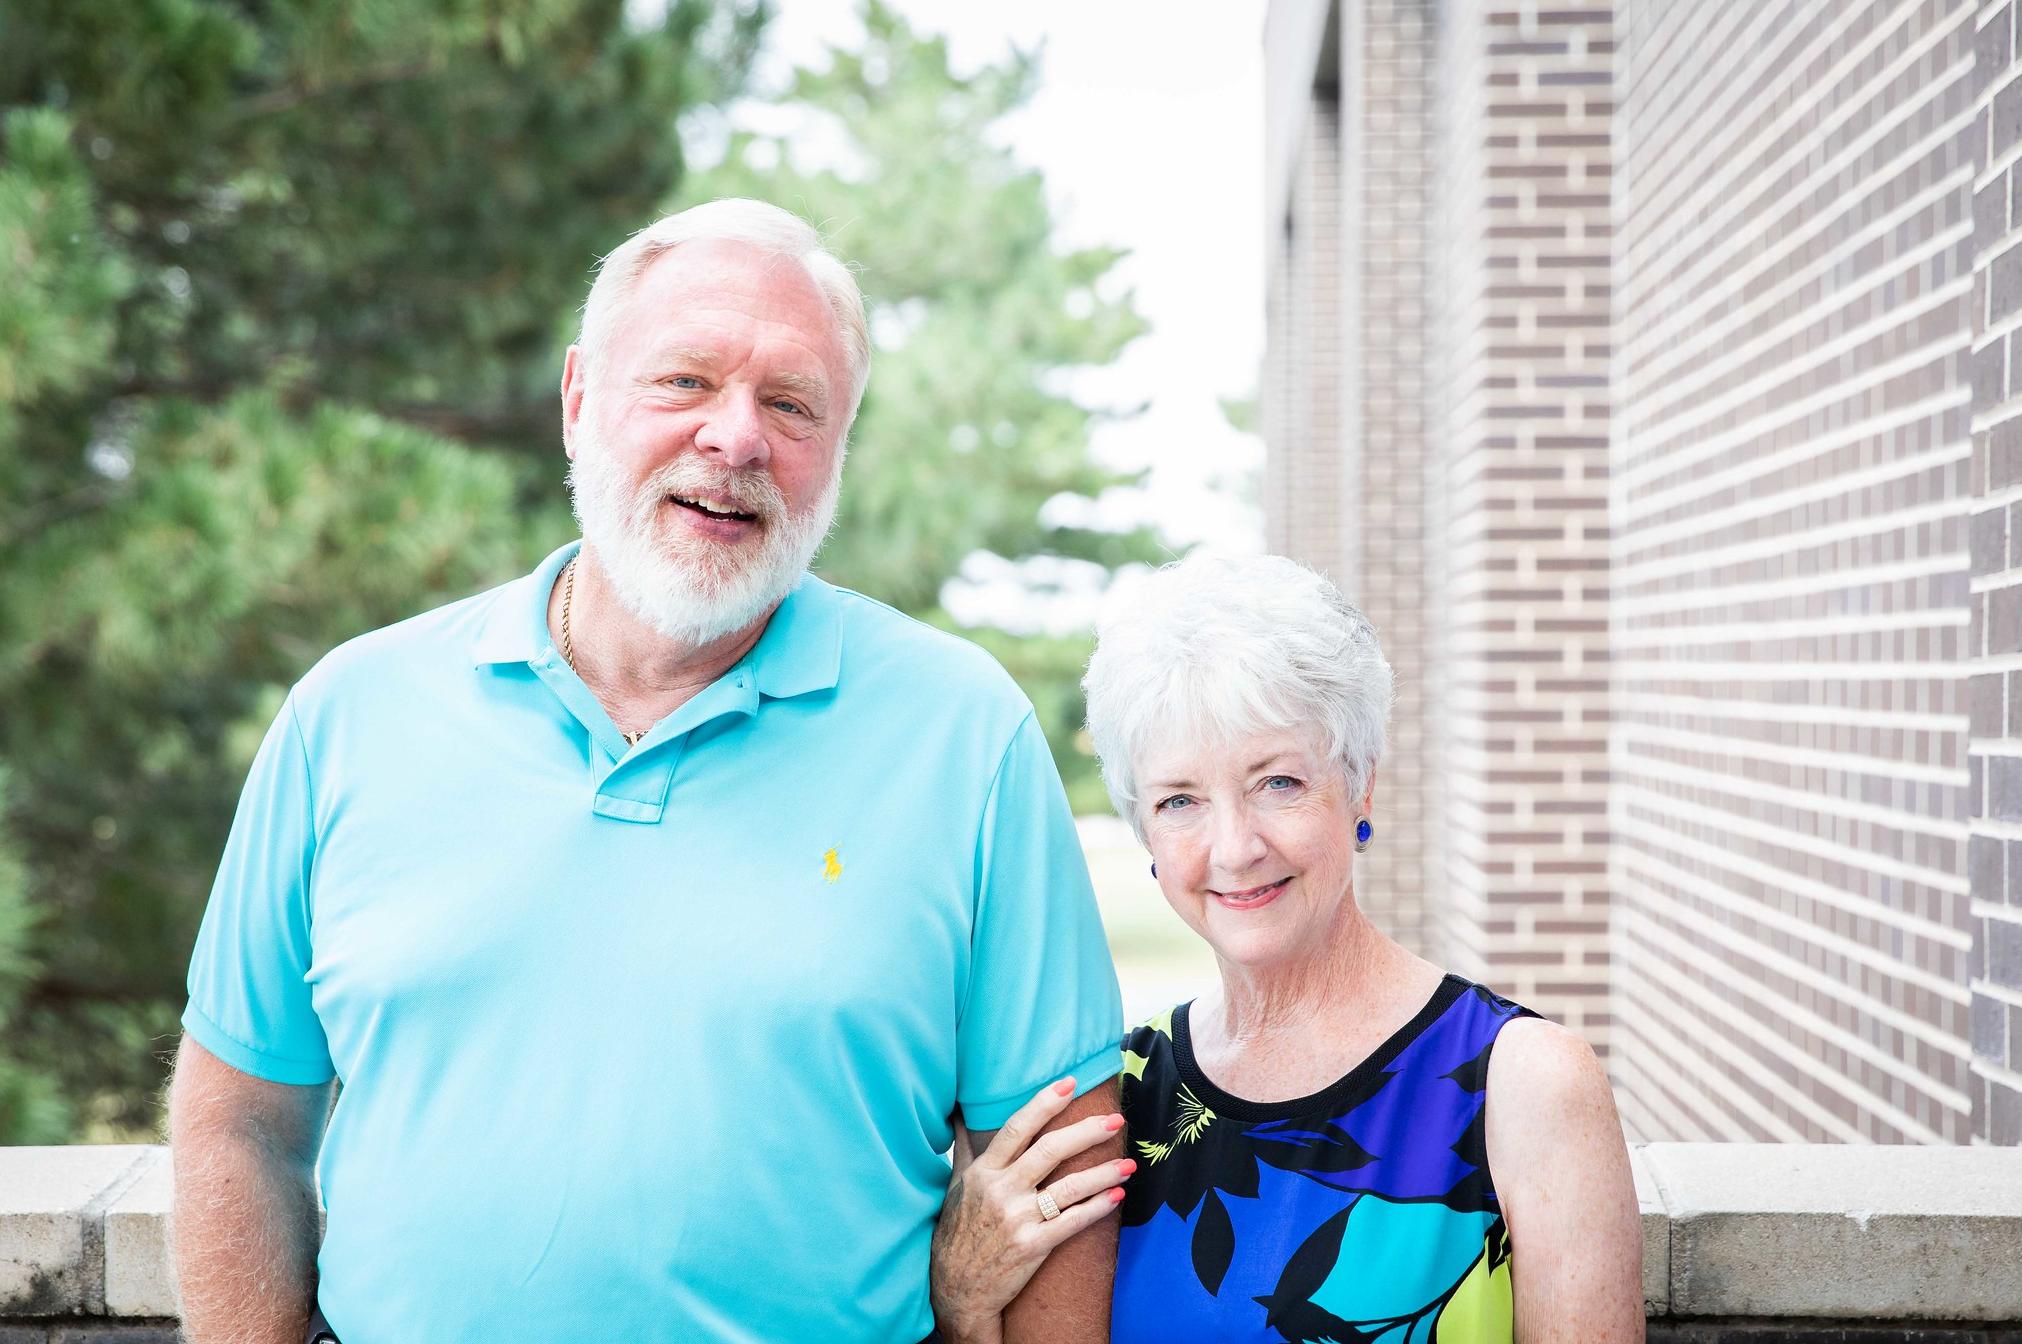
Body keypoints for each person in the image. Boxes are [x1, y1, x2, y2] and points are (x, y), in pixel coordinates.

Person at [168, 198, 1125, 1344]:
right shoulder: (351, 711)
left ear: (838, 449)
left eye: (791, 404)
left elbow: (1066, 1170)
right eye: (685, 383)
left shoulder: (965, 736)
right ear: (579, 400)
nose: (737, 439)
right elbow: (240, 1126)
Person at [930, 552, 1644, 1343]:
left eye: (1278, 783)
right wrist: (962, 1304)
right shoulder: (1116, 1102)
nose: (1235, 849)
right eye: (1181, 800)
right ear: (1146, 833)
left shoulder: (1527, 1084)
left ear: (1360, 782)